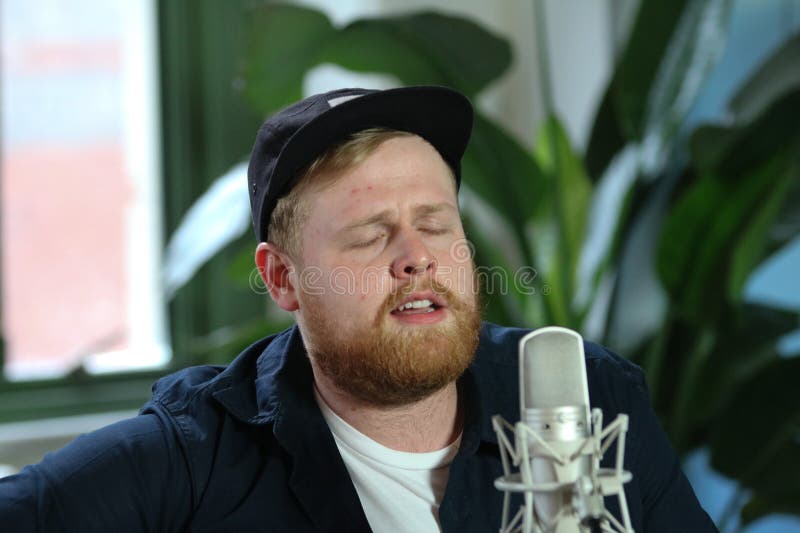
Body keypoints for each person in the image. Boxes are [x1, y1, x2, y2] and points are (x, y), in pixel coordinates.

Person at [0, 86, 716, 532]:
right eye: (371, 234)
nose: (417, 256)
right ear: (283, 279)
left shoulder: (589, 396)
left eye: (435, 223)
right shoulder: (195, 456)